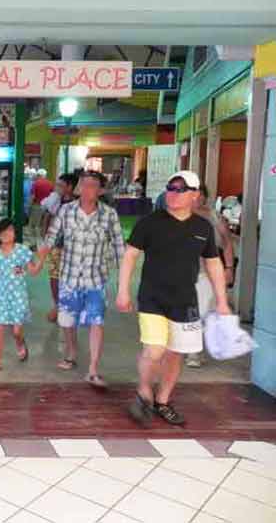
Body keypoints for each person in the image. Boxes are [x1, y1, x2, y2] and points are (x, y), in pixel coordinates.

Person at [117, 171, 232, 426]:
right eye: (170, 187)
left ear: (195, 195)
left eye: (180, 189)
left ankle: (163, 400)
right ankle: (144, 390)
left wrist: (222, 300)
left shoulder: (202, 227)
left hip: (185, 300)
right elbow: (130, 256)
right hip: (152, 298)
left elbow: (213, 263)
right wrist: (122, 290)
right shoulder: (150, 222)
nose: (173, 192)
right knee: (155, 349)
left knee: (175, 353)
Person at [38, 170, 125, 388]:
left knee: (96, 322)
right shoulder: (66, 211)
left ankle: (93, 369)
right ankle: (72, 352)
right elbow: (51, 238)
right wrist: (38, 262)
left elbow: (119, 247)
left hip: (96, 279)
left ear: (101, 190)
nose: (87, 190)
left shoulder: (109, 215)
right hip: (69, 277)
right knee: (67, 321)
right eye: (83, 185)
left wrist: (123, 283)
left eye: (92, 186)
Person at [186, 185, 236, 368]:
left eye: (200, 195)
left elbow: (227, 243)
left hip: (208, 272)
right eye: (193, 195)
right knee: (189, 310)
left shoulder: (215, 217)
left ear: (205, 197)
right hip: (184, 271)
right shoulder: (180, 216)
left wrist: (229, 268)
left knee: (202, 311)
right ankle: (190, 347)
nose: (196, 199)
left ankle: (194, 351)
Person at [0, 219, 41, 374]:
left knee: (16, 331)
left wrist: (41, 257)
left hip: (18, 295)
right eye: (4, 232)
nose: (8, 234)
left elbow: (33, 271)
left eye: (11, 230)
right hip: (0, 295)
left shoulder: (22, 251)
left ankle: (20, 343)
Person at [40, 173, 78, 323]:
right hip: (56, 244)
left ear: (70, 187)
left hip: (72, 247)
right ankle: (58, 306)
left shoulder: (77, 204)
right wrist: (45, 236)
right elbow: (47, 217)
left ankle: (66, 307)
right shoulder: (56, 200)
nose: (58, 188)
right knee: (54, 277)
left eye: (61, 185)